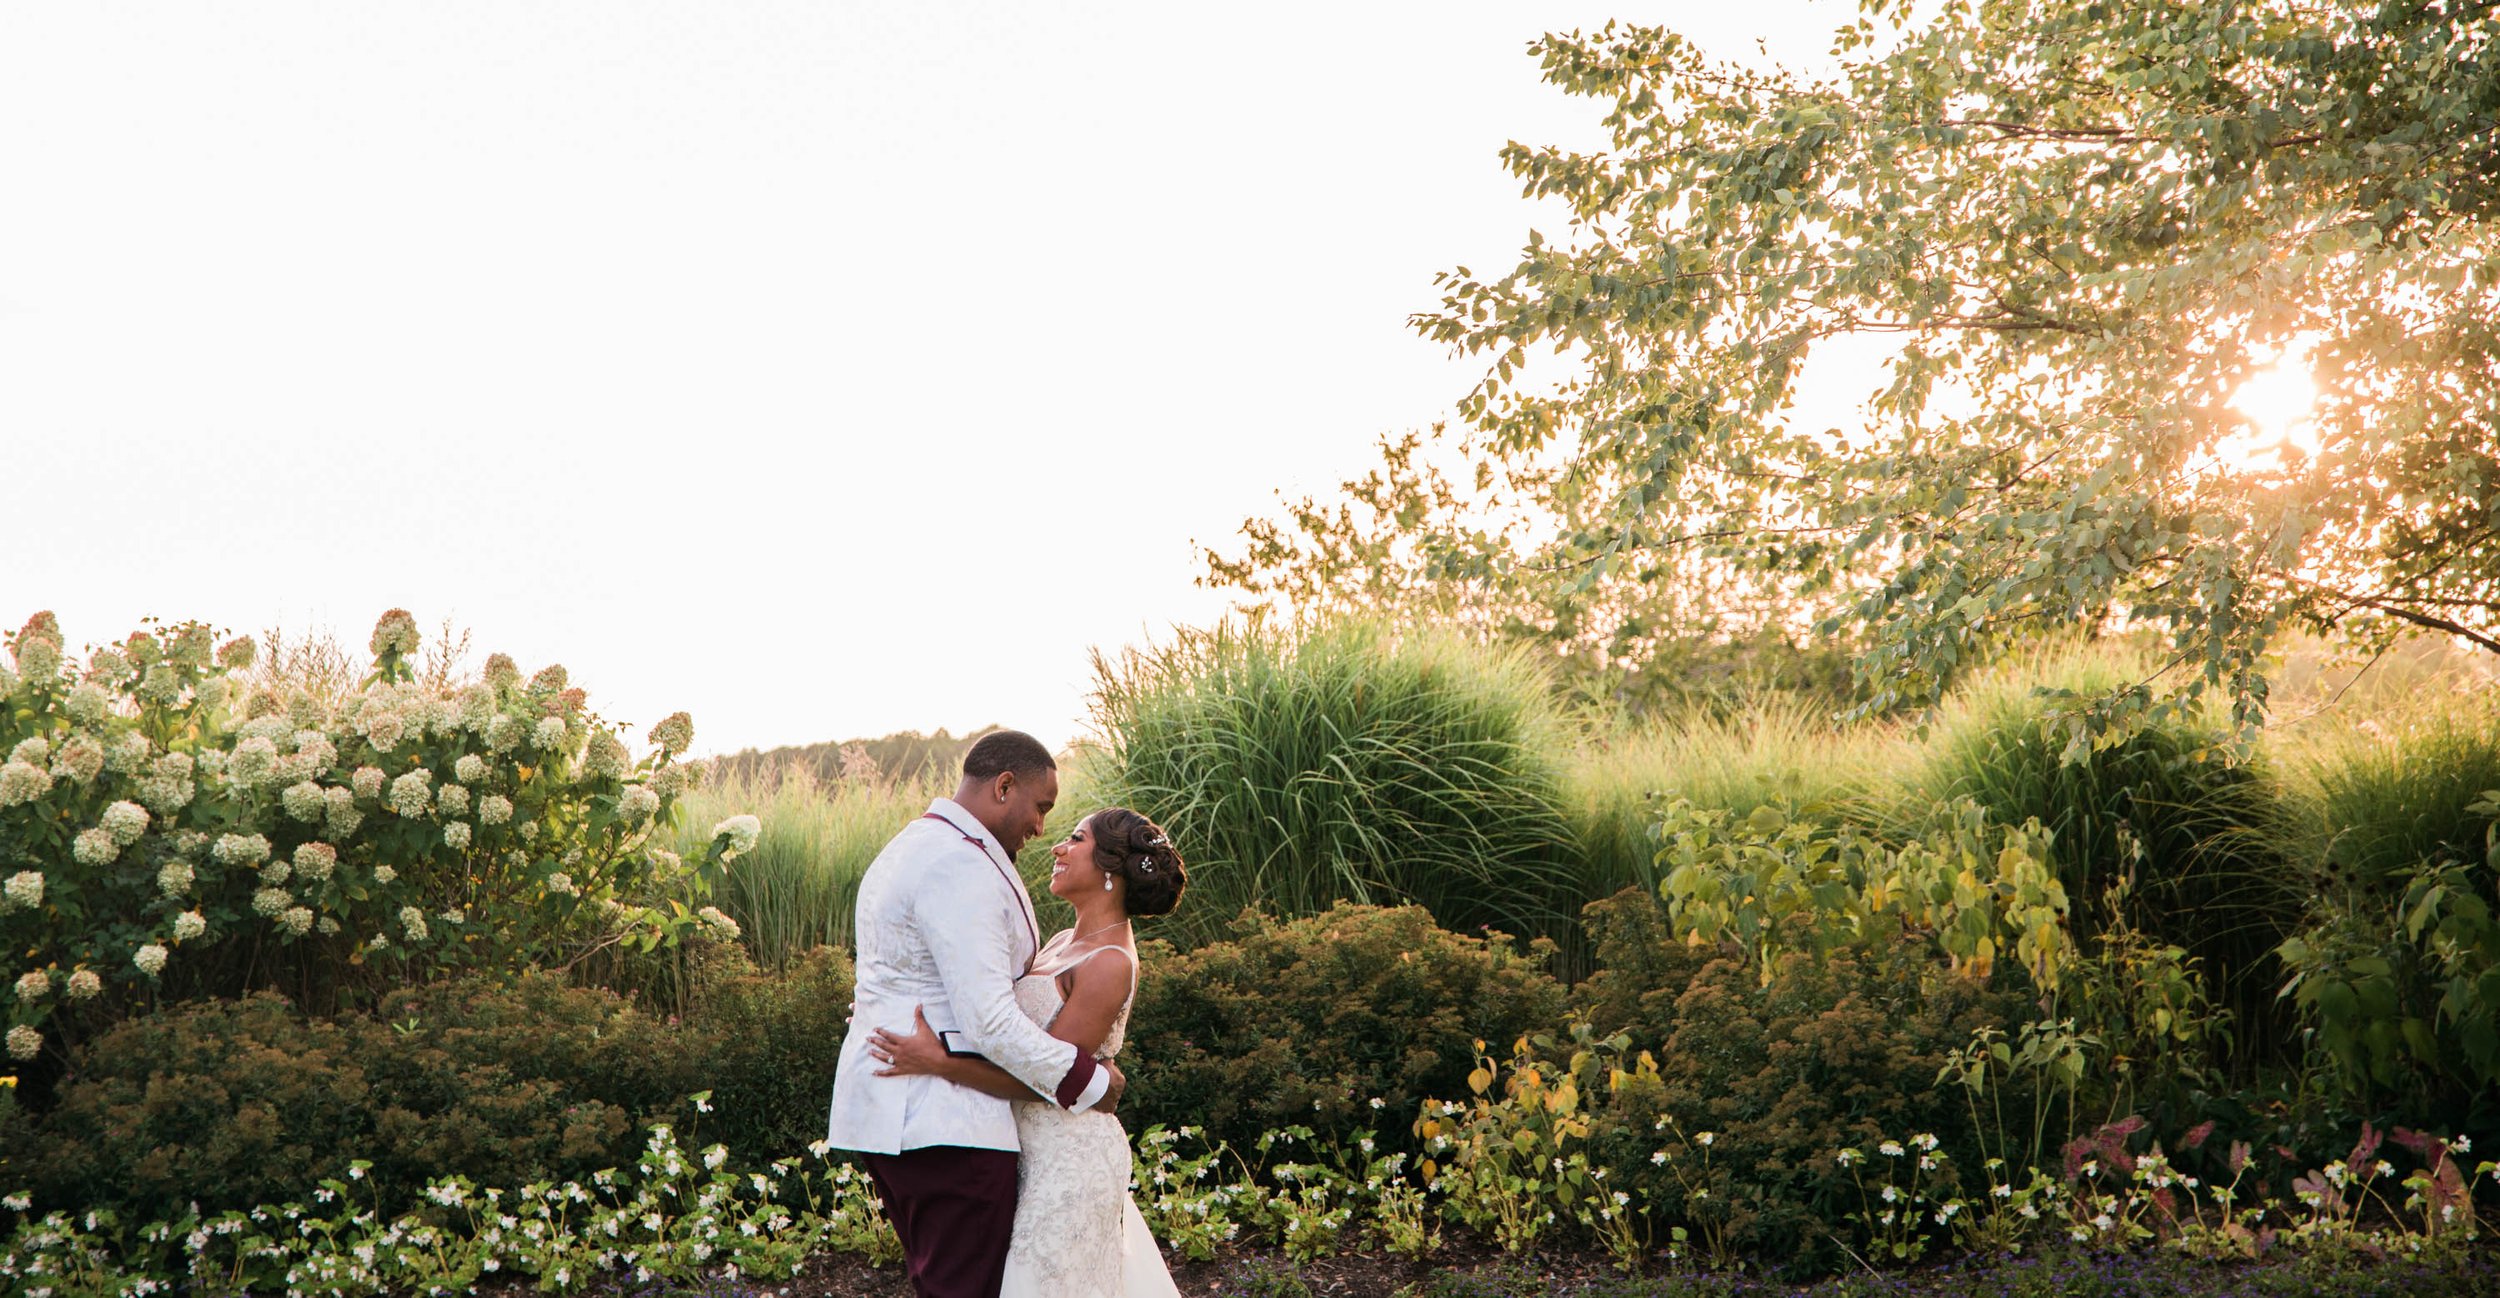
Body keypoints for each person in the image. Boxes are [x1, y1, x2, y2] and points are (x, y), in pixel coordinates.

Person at [826, 730, 1126, 1298]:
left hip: (908, 1119)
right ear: (1004, 786)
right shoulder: (956, 864)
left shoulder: (916, 845)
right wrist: (1088, 1080)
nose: (1042, 829)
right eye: (1041, 808)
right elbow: (988, 1019)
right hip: (945, 1125)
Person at [869, 804, 1189, 1298]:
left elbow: (1050, 1077)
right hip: (1022, 1149)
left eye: (1076, 840)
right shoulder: (1063, 941)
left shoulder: (1109, 963)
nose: (1058, 847)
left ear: (1110, 868)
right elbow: (994, 1020)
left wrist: (937, 1062)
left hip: (1069, 1159)